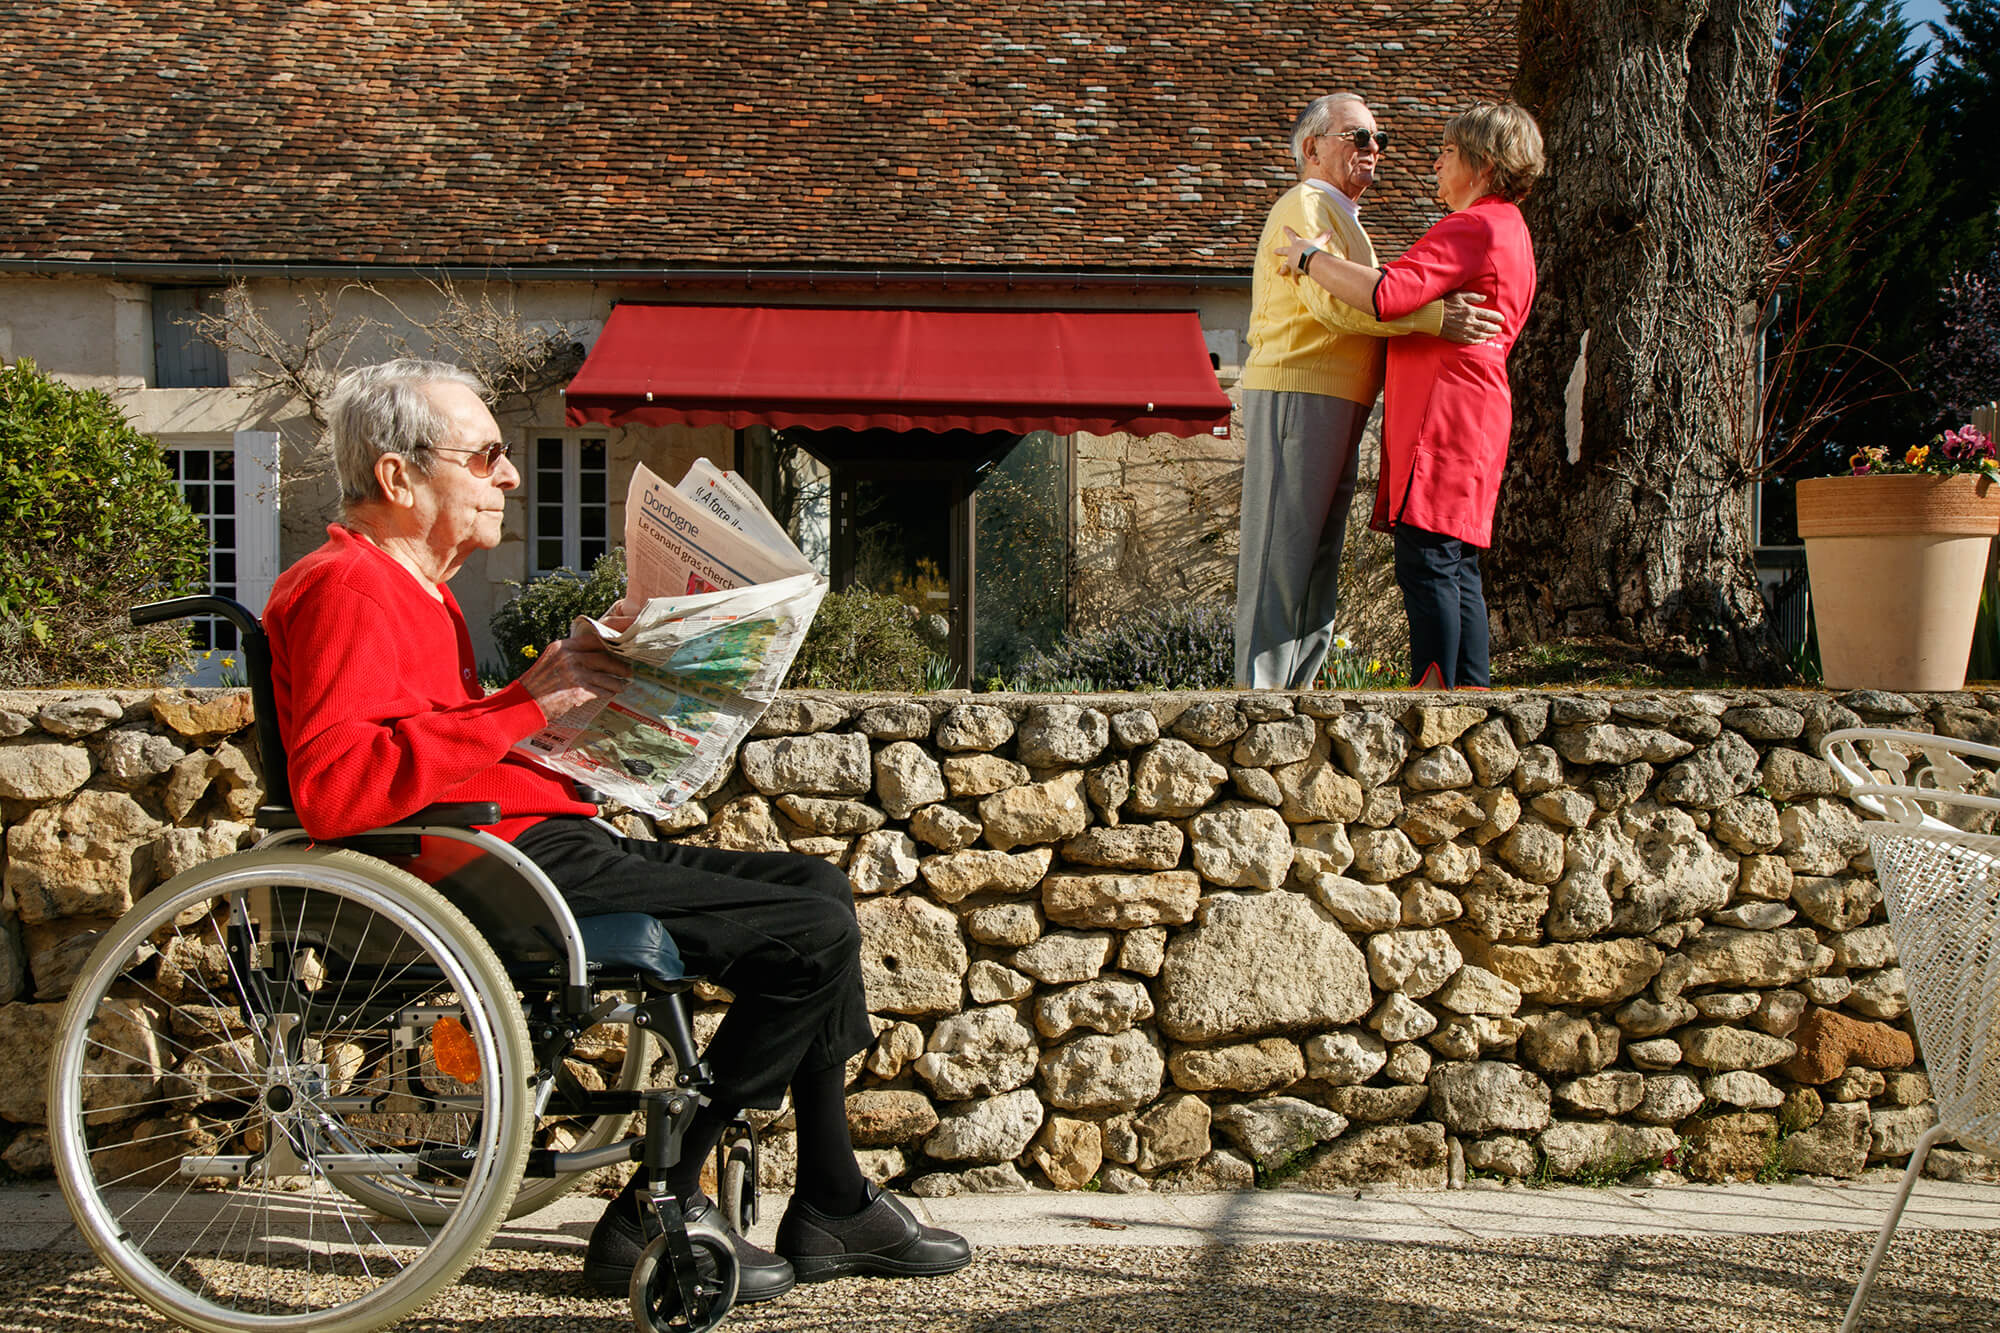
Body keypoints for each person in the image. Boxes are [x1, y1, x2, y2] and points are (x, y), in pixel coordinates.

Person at [262, 359, 970, 1303]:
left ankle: (833, 1197)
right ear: (398, 477)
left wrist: (565, 698)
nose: (509, 476)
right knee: (814, 934)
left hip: (533, 841)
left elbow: (438, 738)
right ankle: (663, 1198)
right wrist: (522, 709)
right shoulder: (346, 587)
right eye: (487, 456)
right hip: (498, 868)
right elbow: (337, 785)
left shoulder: (414, 590)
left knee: (819, 892)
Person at [1235, 92, 1503, 690]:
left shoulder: (1340, 216)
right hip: (1299, 390)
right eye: (1359, 138)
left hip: (1338, 398)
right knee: (1283, 553)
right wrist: (1436, 318)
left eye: (1380, 140)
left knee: (1316, 556)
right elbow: (1334, 303)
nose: (1374, 150)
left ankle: (1294, 692)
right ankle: (1258, 700)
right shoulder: (1304, 204)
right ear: (1312, 148)